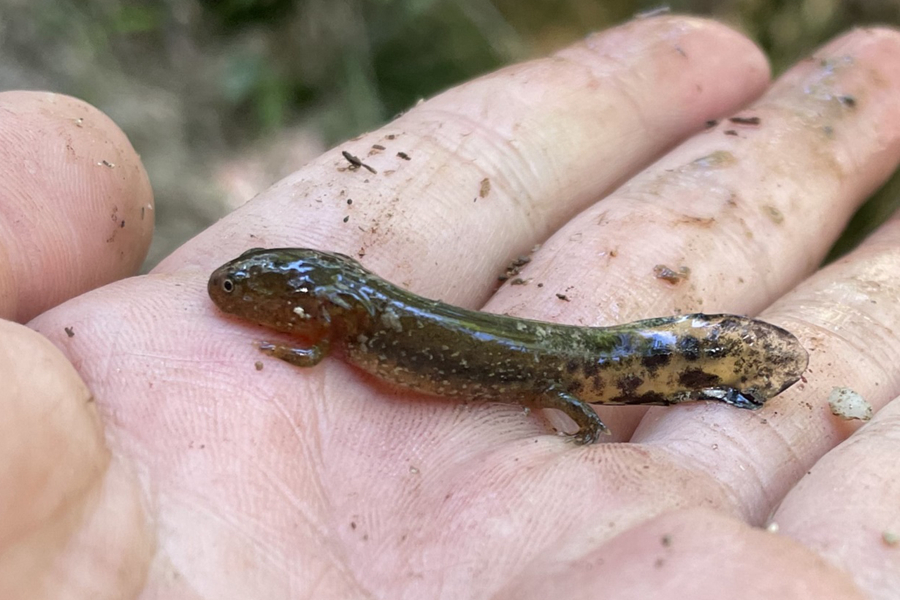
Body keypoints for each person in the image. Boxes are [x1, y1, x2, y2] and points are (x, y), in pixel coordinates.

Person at [2, 15, 897, 598]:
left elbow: (325, 336)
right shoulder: (344, 314)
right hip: (544, 357)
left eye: (256, 291)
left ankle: (713, 371)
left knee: (579, 365)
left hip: (556, 361)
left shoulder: (342, 320)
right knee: (575, 364)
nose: (242, 301)